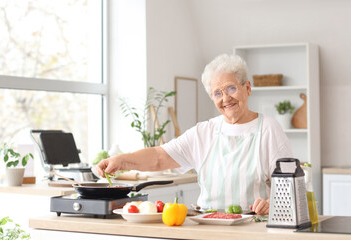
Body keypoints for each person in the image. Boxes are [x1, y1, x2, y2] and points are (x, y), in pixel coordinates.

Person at [97, 54, 293, 215]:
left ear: (247, 88)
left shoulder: (268, 129)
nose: (226, 98)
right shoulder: (204, 132)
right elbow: (159, 157)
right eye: (218, 93)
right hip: (207, 228)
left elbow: (289, 189)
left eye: (231, 88)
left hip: (252, 230)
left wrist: (271, 204)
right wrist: (121, 161)